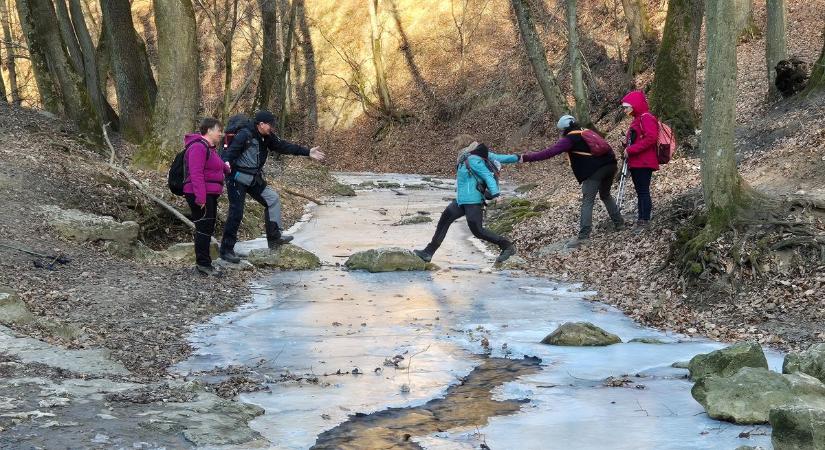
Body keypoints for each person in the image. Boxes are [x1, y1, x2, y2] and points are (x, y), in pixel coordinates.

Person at [219, 111, 325, 263]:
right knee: (236, 212)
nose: (272, 129)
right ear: (261, 124)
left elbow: (283, 146)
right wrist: (226, 165)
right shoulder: (244, 134)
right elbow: (229, 153)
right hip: (236, 178)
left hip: (253, 178)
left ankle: (274, 238)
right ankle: (226, 250)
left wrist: (307, 152)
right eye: (271, 125)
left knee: (272, 199)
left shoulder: (266, 137)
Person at [519, 115, 624, 248]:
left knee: (588, 200)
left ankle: (583, 236)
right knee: (605, 195)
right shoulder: (584, 131)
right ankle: (619, 223)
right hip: (611, 165)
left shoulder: (570, 139)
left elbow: (549, 152)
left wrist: (527, 157)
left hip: (595, 170)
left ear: (564, 129)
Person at [414, 140, 518, 264]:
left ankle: (507, 246)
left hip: (473, 201)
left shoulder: (473, 159)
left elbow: (487, 176)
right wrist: (521, 158)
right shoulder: (466, 159)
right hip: (461, 201)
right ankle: (428, 252)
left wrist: (496, 194)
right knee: (444, 220)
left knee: (478, 231)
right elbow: (502, 157)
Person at [183, 118, 230, 276]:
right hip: (200, 195)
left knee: (207, 228)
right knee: (203, 229)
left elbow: (217, 164)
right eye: (218, 130)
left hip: (209, 194)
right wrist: (201, 198)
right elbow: (196, 173)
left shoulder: (210, 148)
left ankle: (204, 263)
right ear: (209, 130)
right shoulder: (198, 147)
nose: (220, 133)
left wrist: (226, 168)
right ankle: (203, 265)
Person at [620, 90, 659, 230]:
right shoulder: (637, 119)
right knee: (640, 191)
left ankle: (644, 220)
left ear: (634, 105)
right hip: (637, 161)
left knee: (643, 191)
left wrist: (630, 150)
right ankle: (642, 218)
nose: (625, 110)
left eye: (626, 107)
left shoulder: (646, 118)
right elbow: (639, 139)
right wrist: (626, 146)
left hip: (644, 161)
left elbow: (651, 138)